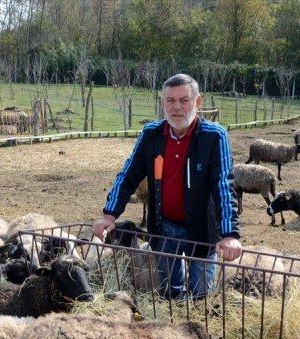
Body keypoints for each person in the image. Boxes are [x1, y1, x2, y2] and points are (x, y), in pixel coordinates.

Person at [92, 73, 242, 298]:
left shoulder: (214, 137)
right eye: (170, 101)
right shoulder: (152, 134)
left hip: (201, 230)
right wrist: (109, 215)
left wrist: (230, 234)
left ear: (197, 102)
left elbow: (223, 186)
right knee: (168, 294)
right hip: (164, 229)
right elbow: (128, 175)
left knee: (200, 296)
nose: (177, 107)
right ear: (163, 103)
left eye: (184, 100)